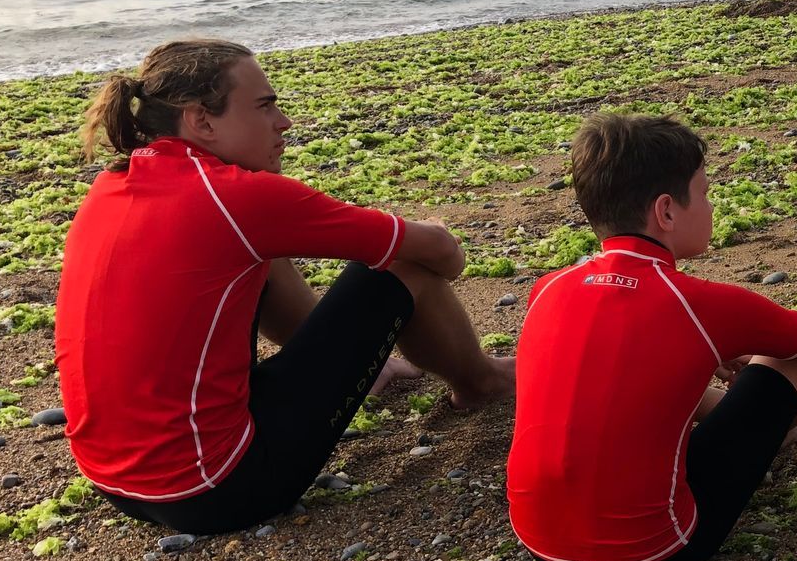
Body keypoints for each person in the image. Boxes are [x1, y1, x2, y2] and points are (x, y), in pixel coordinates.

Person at [56, 40, 512, 535]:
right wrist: (435, 236)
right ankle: (480, 383)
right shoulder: (237, 197)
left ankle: (374, 370)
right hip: (220, 489)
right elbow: (442, 253)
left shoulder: (113, 184)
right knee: (402, 264)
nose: (284, 122)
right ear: (201, 121)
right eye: (264, 105)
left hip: (114, 482)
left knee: (255, 253)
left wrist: (354, 355)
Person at [507, 115, 797, 561]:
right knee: (789, 356)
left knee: (619, 378)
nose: (712, 207)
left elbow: (630, 366)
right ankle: (784, 432)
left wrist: (706, 352)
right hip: (655, 551)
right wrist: (747, 342)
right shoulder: (698, 303)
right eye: (706, 193)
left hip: (537, 541)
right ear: (666, 212)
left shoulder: (548, 288)